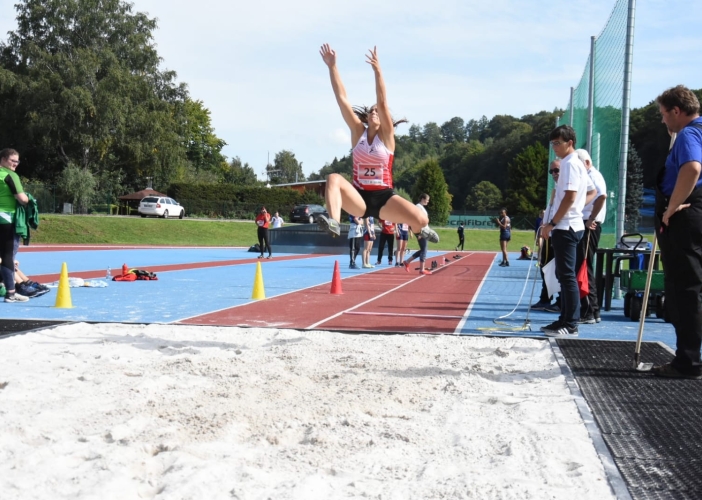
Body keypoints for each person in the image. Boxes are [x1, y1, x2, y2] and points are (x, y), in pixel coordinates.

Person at [316, 44, 439, 246]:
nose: (374, 112)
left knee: (422, 219)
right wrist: (332, 67)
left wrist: (377, 70)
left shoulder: (388, 137)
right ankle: (334, 223)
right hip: (359, 198)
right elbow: (342, 100)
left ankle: (420, 230)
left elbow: (382, 103)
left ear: (383, 119)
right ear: (366, 117)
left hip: (384, 199)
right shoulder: (358, 133)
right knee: (333, 178)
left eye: (377, 112)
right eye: (371, 111)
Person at [652, 85, 702, 379]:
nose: (662, 121)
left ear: (676, 111)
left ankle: (687, 361)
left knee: (684, 289)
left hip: (686, 218)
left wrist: (673, 206)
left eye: (663, 114)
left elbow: (692, 168)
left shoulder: (689, 133)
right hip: (696, 213)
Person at [539, 126, 595, 337]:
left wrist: (552, 222)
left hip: (566, 227)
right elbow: (591, 191)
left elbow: (571, 196)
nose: (554, 147)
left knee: (567, 276)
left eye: (558, 143)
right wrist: (577, 209)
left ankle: (571, 323)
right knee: (564, 275)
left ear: (570, 142)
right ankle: (565, 318)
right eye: (552, 143)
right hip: (569, 224)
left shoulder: (571, 164)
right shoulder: (574, 163)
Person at [575, 149, 607, 325]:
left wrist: (591, 218)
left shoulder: (593, 176)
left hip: (589, 225)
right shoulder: (591, 175)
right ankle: (592, 311)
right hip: (587, 223)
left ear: (586, 163)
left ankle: (589, 310)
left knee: (584, 267)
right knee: (584, 266)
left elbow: (602, 196)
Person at [0, 148, 29, 302]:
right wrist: (31, 201)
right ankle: (11, 292)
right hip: (6, 218)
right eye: (13, 160)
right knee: (7, 256)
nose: (16, 164)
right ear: (4, 159)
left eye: (17, 161)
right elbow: (22, 198)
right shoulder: (10, 175)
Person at [532, 161, 560, 311]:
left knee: (560, 269)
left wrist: (551, 224)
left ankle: (561, 301)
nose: (554, 174)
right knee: (545, 266)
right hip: (550, 232)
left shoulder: (568, 188)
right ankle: (546, 298)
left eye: (557, 171)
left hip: (559, 232)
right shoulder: (557, 189)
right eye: (552, 172)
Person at [403, 194, 433, 275]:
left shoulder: (421, 207)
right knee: (424, 249)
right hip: (421, 231)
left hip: (425, 231)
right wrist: (419, 233)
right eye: (427, 199)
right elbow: (416, 220)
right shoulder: (418, 207)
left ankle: (407, 261)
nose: (428, 201)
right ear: (423, 199)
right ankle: (421, 269)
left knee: (423, 249)